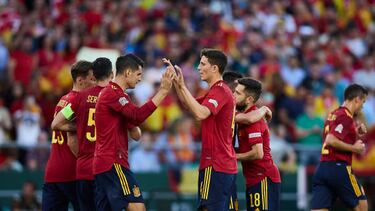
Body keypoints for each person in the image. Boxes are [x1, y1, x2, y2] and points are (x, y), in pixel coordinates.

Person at [51, 57, 139, 210]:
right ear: (112, 74)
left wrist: (78, 127)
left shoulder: (79, 98)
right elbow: (136, 133)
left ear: (93, 76)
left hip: (83, 169)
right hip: (106, 168)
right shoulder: (114, 96)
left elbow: (56, 123)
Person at [93, 54, 174, 211]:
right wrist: (163, 91)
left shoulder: (119, 95)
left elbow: (136, 133)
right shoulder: (112, 93)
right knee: (137, 207)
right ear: (127, 72)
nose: (139, 79)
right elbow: (137, 117)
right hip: (113, 161)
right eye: (138, 75)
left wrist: (130, 124)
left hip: (105, 162)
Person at [167, 49, 238, 211]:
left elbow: (200, 113)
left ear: (214, 68)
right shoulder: (215, 91)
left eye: (203, 64)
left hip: (215, 164)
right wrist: (178, 84)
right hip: (223, 164)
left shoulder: (220, 90)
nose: (198, 67)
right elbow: (189, 105)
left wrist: (183, 86)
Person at [43, 60, 95, 211]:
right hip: (72, 172)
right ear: (80, 80)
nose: (95, 83)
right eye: (92, 79)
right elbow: (71, 141)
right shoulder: (76, 101)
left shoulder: (63, 100)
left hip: (53, 173)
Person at [311, 84, 368, 211]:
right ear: (356, 99)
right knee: (361, 206)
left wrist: (355, 132)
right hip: (339, 168)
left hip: (322, 168)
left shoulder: (333, 114)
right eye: (363, 102)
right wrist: (355, 148)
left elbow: (333, 136)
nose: (362, 106)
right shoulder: (345, 117)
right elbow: (331, 140)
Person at [234, 77, 281, 211]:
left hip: (263, 177)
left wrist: (232, 156)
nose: (233, 96)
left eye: (237, 93)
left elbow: (257, 153)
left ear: (249, 99)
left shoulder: (254, 120)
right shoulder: (246, 116)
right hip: (254, 179)